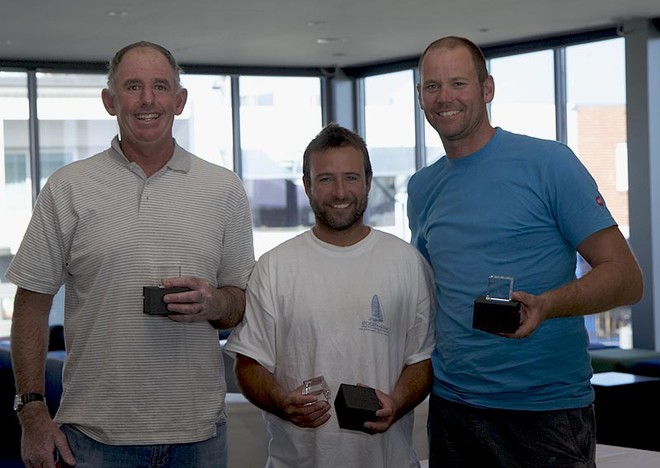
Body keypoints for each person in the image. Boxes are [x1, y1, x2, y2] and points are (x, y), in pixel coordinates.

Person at [7, 41, 255, 468]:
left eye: (160, 87)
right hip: (93, 439)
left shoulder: (224, 189)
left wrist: (215, 302)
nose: (147, 100)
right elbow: (31, 303)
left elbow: (241, 303)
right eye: (133, 86)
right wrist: (31, 410)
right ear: (109, 101)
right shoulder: (68, 187)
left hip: (198, 437)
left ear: (179, 101)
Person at [408, 35, 644, 467]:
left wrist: (548, 305)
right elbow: (427, 293)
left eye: (458, 83)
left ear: (487, 89)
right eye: (432, 86)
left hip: (546, 412)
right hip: (454, 411)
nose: (445, 98)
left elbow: (627, 278)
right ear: (420, 96)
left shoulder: (549, 164)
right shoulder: (422, 187)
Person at [224, 123, 436, 468]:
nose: (340, 192)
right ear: (307, 186)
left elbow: (422, 359)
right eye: (325, 179)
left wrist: (396, 401)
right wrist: (282, 401)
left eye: (351, 177)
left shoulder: (408, 263)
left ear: (368, 181)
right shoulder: (274, 267)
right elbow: (248, 362)